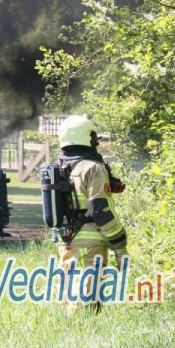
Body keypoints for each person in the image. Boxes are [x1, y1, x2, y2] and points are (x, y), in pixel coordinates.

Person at [56, 115, 128, 306]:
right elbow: (100, 211)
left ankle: (69, 333)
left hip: (66, 240)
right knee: (87, 300)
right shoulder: (93, 167)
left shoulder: (60, 167)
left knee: (68, 296)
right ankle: (82, 332)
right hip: (91, 241)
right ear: (87, 137)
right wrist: (120, 247)